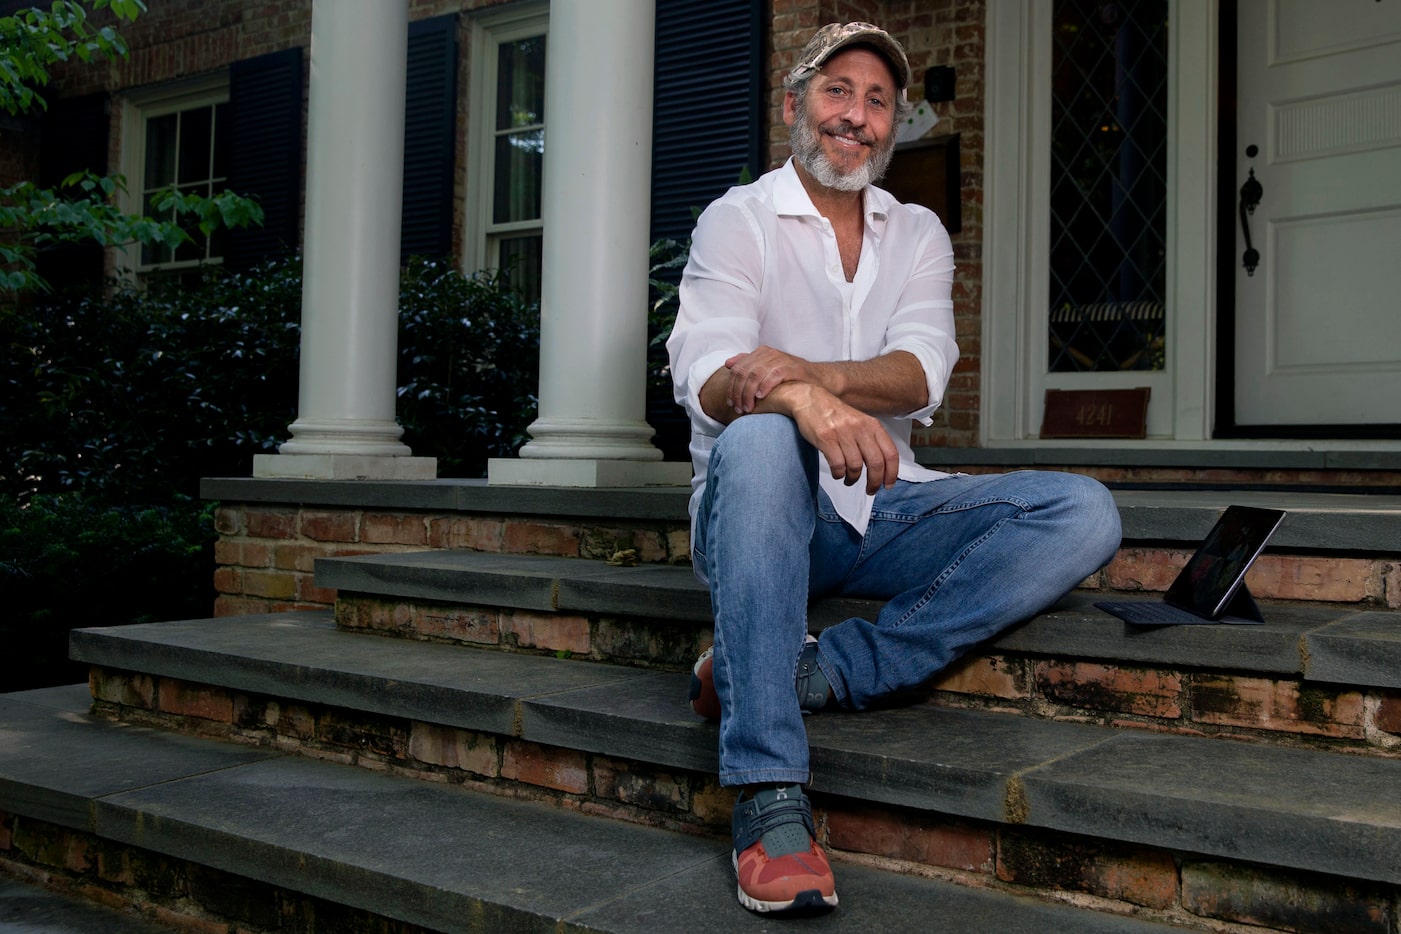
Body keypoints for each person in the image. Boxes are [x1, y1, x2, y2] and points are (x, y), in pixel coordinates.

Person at [665, 22, 1123, 916]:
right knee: (759, 435)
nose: (857, 116)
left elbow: (922, 373)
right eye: (838, 90)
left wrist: (808, 377)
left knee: (1084, 511)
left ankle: (823, 671)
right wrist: (797, 406)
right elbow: (709, 380)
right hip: (757, 516)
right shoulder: (739, 218)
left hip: (879, 509)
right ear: (796, 102)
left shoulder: (915, 232)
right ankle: (766, 794)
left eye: (878, 101)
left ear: (893, 124)